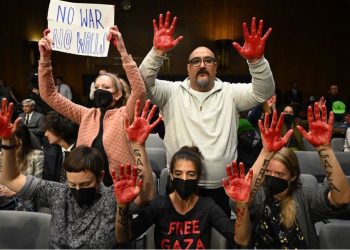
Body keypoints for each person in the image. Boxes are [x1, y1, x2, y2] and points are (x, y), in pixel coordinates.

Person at [139, 11, 274, 215]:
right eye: (196, 61)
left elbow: (264, 92)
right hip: (180, 185)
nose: (202, 65)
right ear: (188, 68)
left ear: (215, 67)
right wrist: (157, 52)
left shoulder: (231, 93)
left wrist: (256, 61)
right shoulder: (171, 92)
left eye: (208, 61)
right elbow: (142, 84)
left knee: (216, 242)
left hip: (220, 189)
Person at [0, 98, 159, 248]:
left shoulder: (113, 197)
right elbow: (11, 179)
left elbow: (146, 195)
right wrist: (7, 142)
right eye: (72, 184)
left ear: (100, 177)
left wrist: (138, 146)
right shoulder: (58, 193)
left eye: (85, 184)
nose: (77, 189)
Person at [38, 25, 146, 187]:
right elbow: (49, 94)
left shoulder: (125, 114)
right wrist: (45, 58)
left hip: (118, 187)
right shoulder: (85, 114)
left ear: (117, 94)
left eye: (107, 87)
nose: (100, 91)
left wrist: (123, 52)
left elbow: (139, 91)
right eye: (97, 87)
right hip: (86, 186)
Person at [242, 104, 350, 248]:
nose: (272, 176)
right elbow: (241, 199)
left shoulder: (305, 195)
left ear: (293, 176)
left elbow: (341, 198)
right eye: (267, 172)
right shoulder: (261, 194)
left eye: (279, 174)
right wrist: (266, 152)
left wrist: (325, 149)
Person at [114, 145, 253, 248]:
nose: (184, 179)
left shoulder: (207, 206)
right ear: (171, 176)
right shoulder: (159, 205)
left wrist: (242, 204)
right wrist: (122, 206)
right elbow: (123, 238)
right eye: (179, 174)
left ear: (198, 177)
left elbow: (241, 240)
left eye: (190, 174)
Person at [0, 122, 44, 211]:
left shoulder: (36, 155)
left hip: (24, 199)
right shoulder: (3, 154)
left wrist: (14, 192)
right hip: (4, 195)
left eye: (11, 136)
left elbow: (37, 186)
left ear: (21, 139)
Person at [42, 111, 78, 182]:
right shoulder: (50, 153)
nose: (45, 134)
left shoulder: (81, 153)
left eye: (49, 129)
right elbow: (46, 181)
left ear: (60, 130)